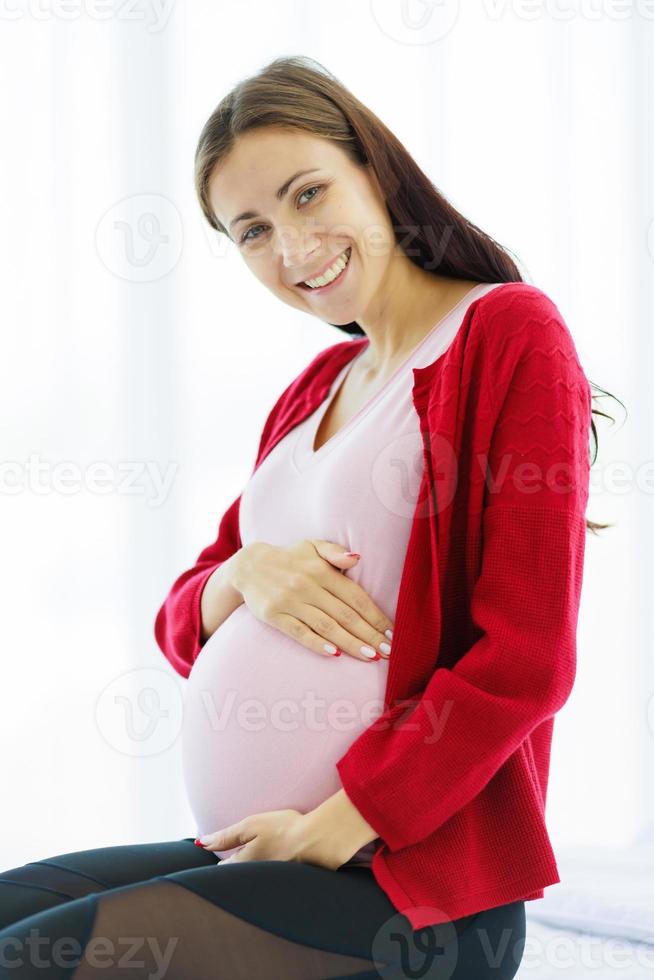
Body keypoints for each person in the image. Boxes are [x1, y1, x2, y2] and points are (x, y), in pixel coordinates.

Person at [0, 54, 617, 979]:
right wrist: (243, 575)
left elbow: (526, 659)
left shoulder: (507, 332)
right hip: (264, 854)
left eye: (306, 193)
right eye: (250, 229)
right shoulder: (314, 391)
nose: (290, 248)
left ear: (375, 167)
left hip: (403, 891)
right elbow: (182, 621)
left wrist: (333, 829)